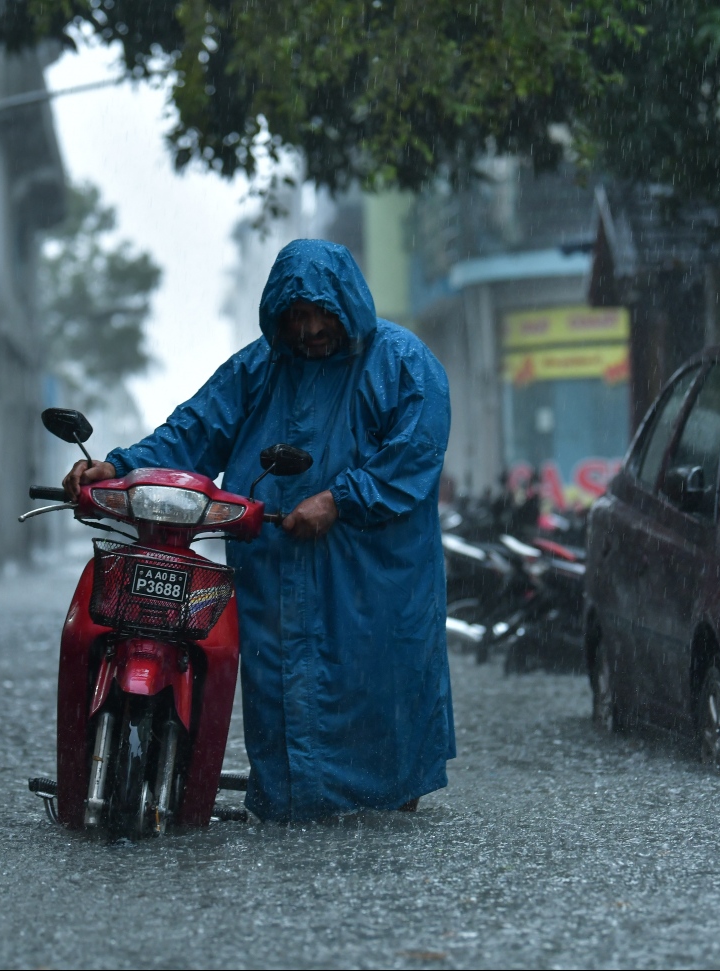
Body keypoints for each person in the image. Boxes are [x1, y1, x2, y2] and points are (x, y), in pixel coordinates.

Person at [63, 238, 455, 823]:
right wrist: (119, 467)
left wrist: (340, 500)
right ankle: (291, 804)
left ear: (347, 306)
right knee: (280, 682)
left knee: (379, 683)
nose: (309, 329)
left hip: (373, 575)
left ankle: (386, 805)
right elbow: (194, 431)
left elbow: (415, 455)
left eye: (321, 313)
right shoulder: (257, 369)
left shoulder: (402, 363)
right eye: (296, 315)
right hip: (275, 566)